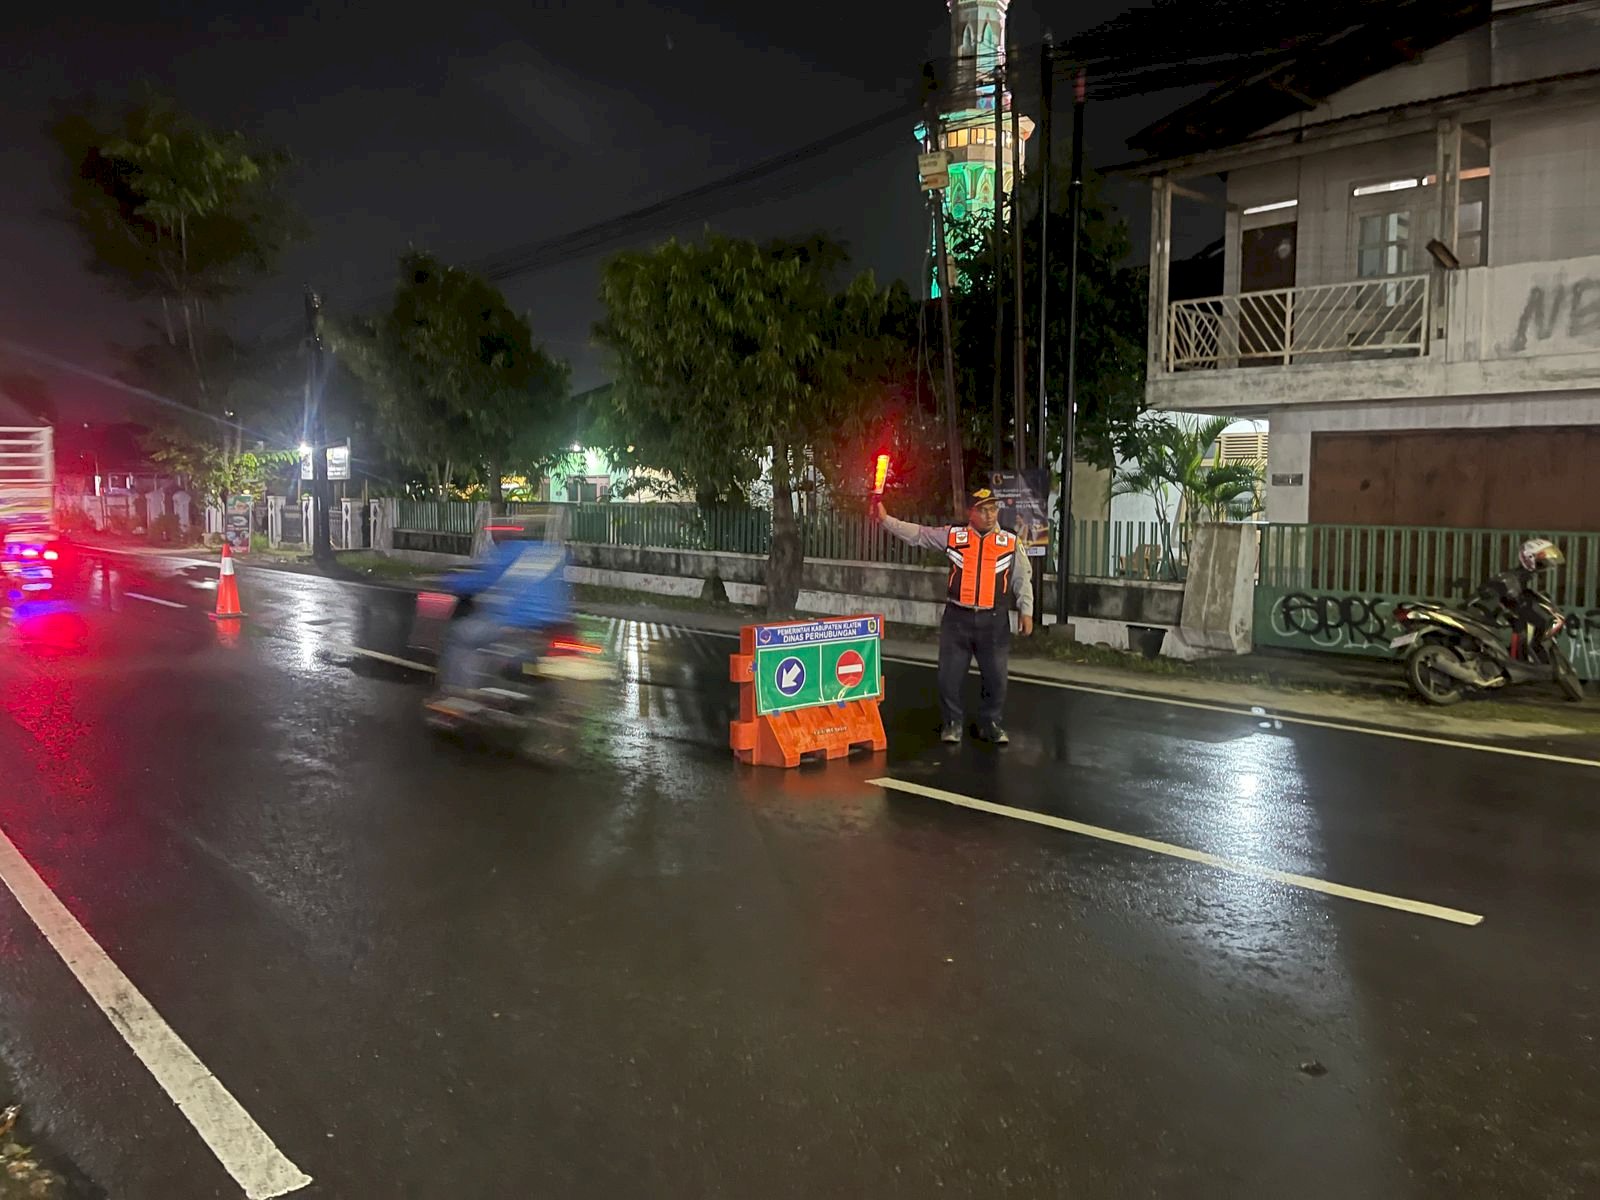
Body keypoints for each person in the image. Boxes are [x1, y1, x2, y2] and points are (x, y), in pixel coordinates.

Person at [873, 487, 1033, 744]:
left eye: (993, 509)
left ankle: (990, 723)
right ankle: (952, 723)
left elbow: (1022, 579)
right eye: (983, 510)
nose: (989, 515)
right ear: (971, 512)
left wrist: (1027, 611)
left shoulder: (1010, 542)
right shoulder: (953, 536)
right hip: (957, 618)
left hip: (994, 620)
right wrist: (886, 520)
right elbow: (918, 534)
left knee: (996, 678)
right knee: (949, 676)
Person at [435, 511, 572, 700]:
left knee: (460, 637)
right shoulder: (548, 554)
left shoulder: (509, 553)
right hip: (548, 627)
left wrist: (449, 581)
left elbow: (481, 581)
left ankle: (460, 694)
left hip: (511, 626)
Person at [1478, 537, 1564, 657]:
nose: (1544, 566)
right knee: (1518, 626)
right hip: (1488, 623)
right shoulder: (1510, 578)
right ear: (1529, 558)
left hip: (1495, 622)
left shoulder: (1523, 577)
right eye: (1541, 561)